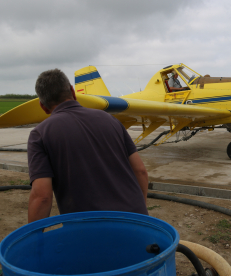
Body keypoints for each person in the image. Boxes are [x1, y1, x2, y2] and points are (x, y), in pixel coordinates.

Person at [27, 69, 149, 223]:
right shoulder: (111, 120)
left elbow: (42, 196)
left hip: (90, 229)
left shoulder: (39, 134)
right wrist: (141, 210)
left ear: (43, 106)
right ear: (72, 91)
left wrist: (32, 239)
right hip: (136, 221)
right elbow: (141, 171)